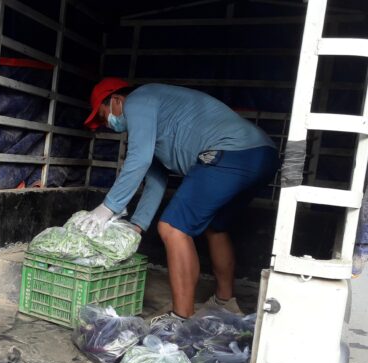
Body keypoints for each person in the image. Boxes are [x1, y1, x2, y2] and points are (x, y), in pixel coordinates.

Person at [75, 78, 279, 323]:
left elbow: (138, 159)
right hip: (262, 155)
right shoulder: (154, 120)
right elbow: (156, 179)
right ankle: (225, 303)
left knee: (173, 228)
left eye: (104, 114)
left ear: (117, 100)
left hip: (231, 152)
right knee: (216, 227)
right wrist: (136, 227)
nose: (107, 123)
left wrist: (107, 208)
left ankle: (181, 319)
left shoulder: (138, 100)